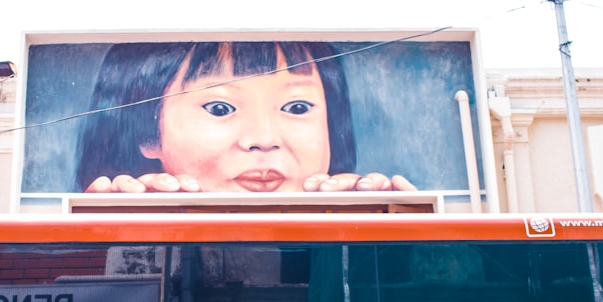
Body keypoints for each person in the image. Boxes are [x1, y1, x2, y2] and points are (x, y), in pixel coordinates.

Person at [75, 41, 416, 194]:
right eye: (220, 108)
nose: (263, 139)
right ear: (147, 134)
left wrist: (387, 240)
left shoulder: (369, 212)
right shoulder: (118, 212)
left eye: (297, 107)